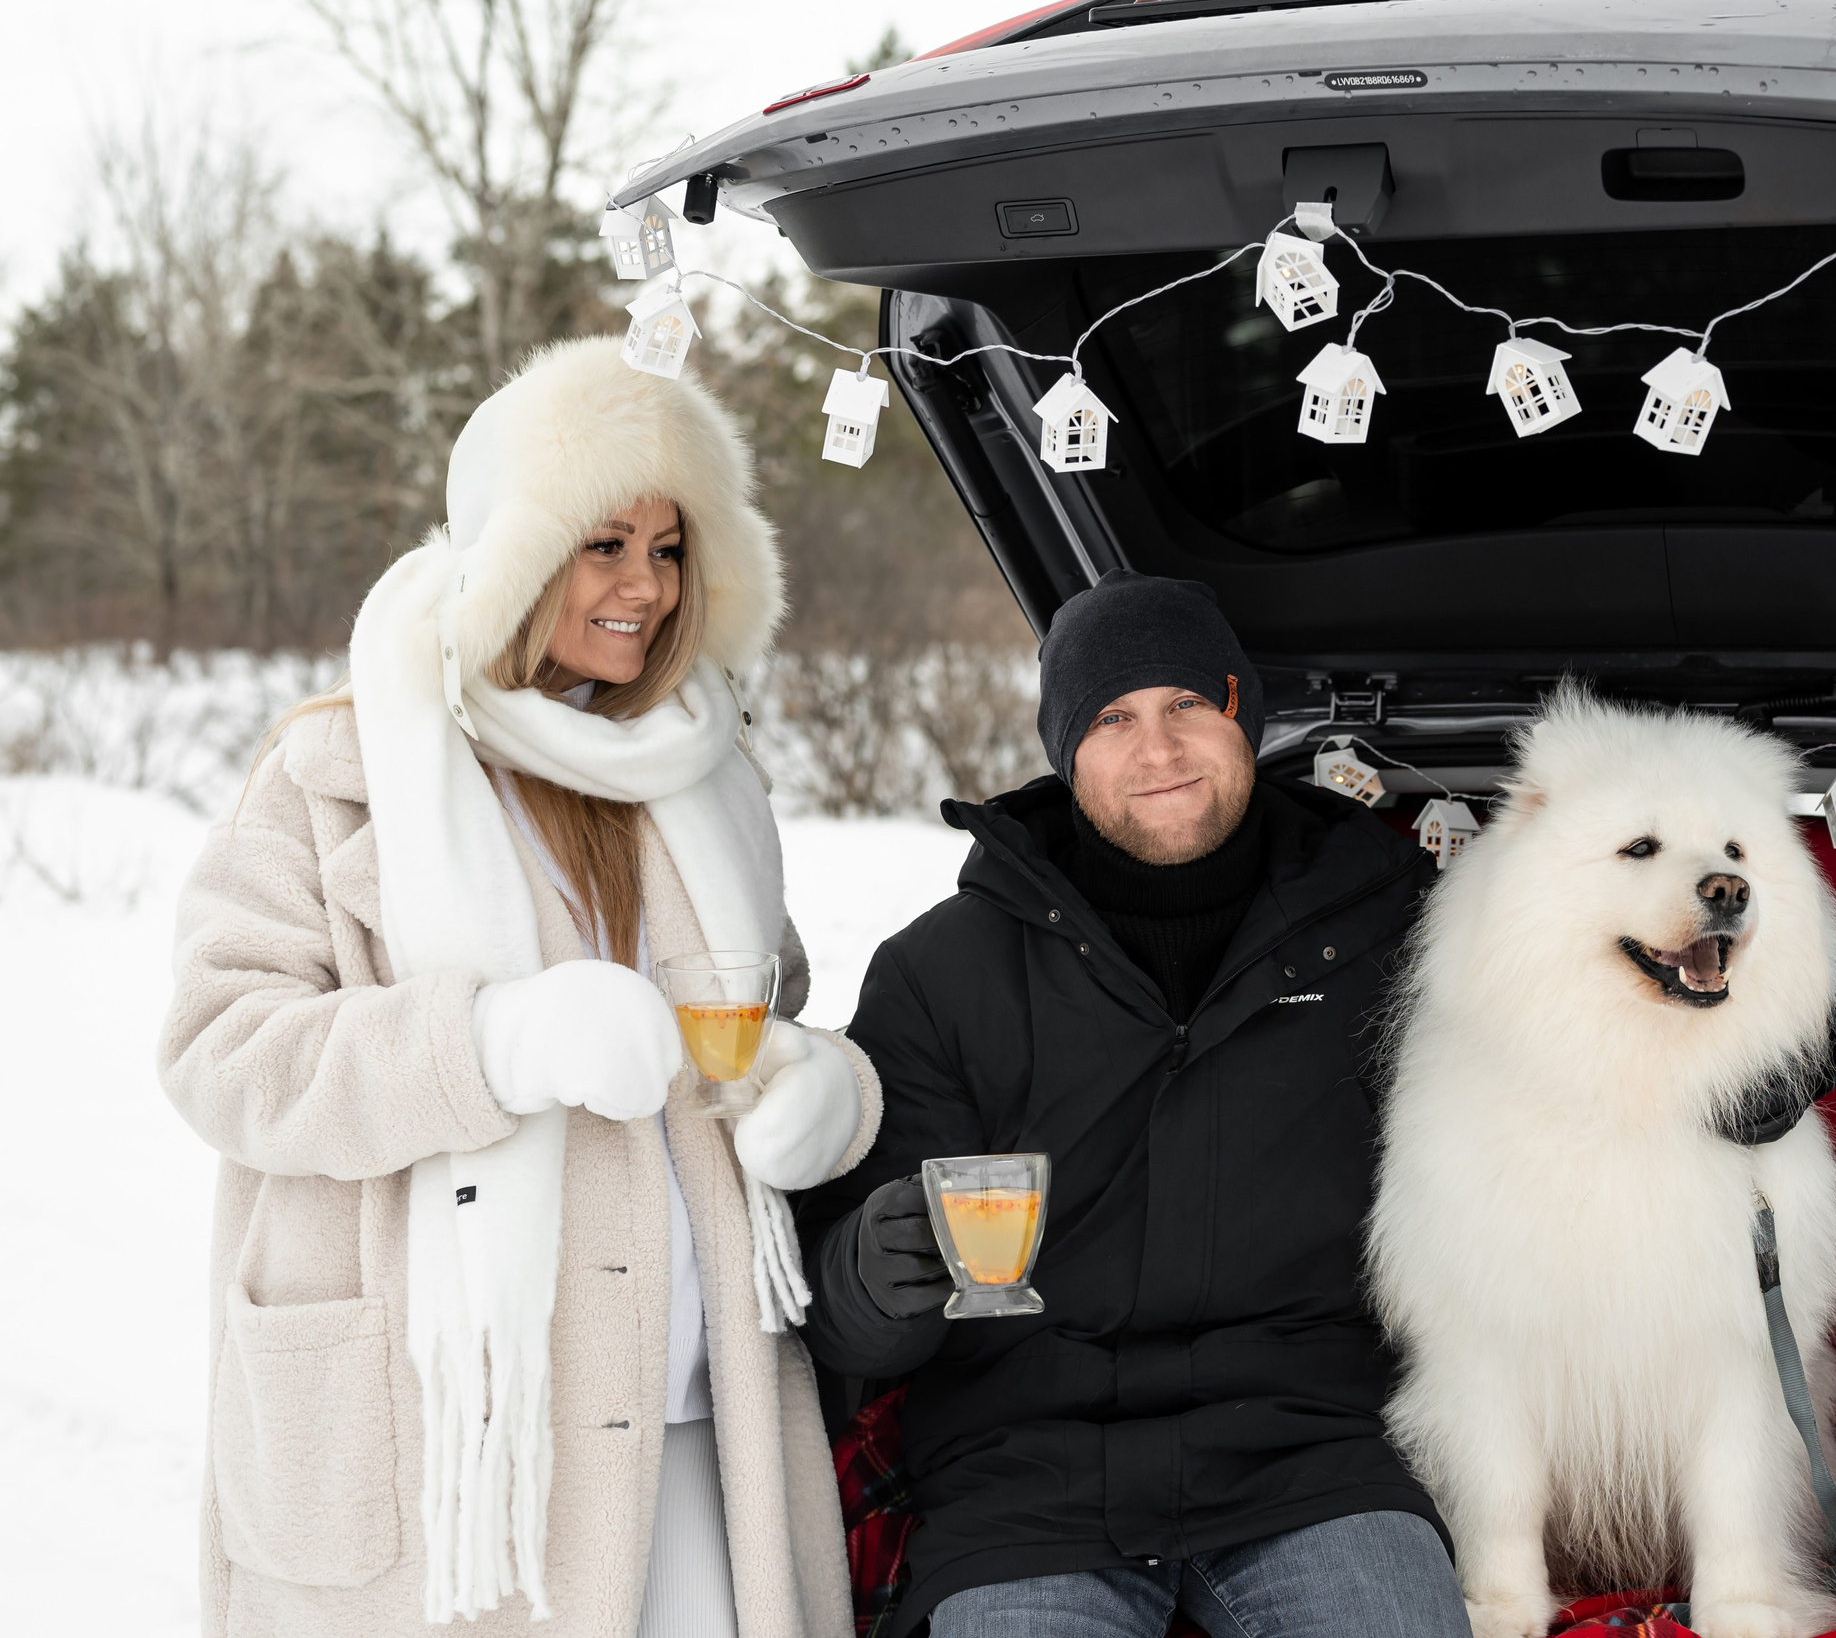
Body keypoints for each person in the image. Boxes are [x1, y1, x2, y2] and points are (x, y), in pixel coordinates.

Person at [161, 337, 877, 1637]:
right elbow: (224, 1051)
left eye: (668, 550)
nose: (645, 589)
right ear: (516, 544)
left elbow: (757, 1023)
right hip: (459, 1432)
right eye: (604, 544)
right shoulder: (343, 771)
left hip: (697, 1419)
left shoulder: (703, 779)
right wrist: (487, 1050)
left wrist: (818, 1088)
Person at [796, 569, 1472, 1638]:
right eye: (1112, 718)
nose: (1157, 751)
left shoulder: (1384, 925)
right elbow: (844, 1323)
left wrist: (1767, 1069)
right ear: (1067, 752)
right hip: (1027, 1482)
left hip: (1311, 1457)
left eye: (1187, 706)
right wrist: (871, 1281)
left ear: (1242, 715)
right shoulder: (940, 971)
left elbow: (1575, 1058)